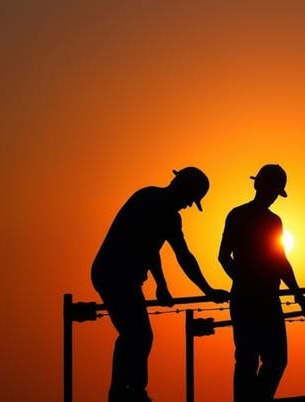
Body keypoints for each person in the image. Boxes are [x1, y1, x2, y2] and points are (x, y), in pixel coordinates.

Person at [91, 167, 230, 402]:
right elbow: (171, 253)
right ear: (183, 189)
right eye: (190, 199)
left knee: (135, 334)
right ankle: (126, 393)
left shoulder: (155, 203)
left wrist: (164, 285)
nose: (188, 205)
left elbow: (161, 250)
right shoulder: (156, 204)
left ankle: (126, 392)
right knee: (138, 334)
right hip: (115, 275)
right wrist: (202, 290)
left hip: (121, 276)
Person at [218, 163, 305, 402]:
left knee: (275, 359)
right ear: (258, 186)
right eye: (271, 191)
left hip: (269, 298)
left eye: (274, 193)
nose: (272, 197)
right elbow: (223, 256)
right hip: (247, 298)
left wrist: (298, 294)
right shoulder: (238, 215)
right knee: (248, 358)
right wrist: (243, 282)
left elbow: (280, 260)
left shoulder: (274, 221)